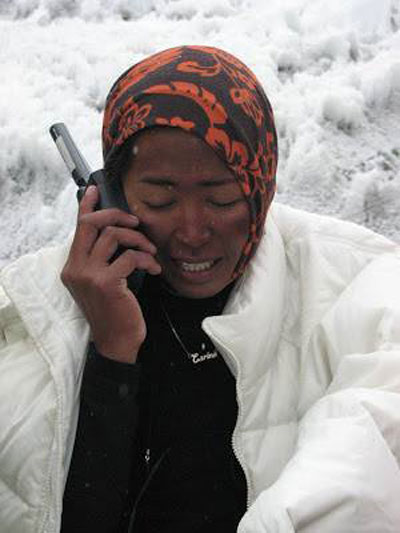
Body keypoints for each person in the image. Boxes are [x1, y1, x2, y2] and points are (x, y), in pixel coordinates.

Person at [0, 45, 400, 533]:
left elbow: (374, 434)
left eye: (222, 198)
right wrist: (112, 353)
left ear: (262, 184)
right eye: (160, 199)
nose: (192, 231)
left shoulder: (354, 277)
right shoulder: (29, 310)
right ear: (111, 193)